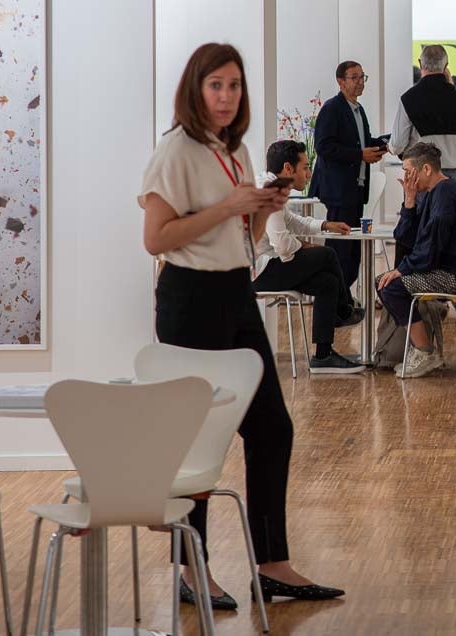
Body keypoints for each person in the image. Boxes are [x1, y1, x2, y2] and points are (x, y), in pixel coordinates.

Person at [140, 43, 343, 606]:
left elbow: (243, 242)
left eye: (233, 86)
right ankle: (190, 569)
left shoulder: (234, 150)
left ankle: (272, 563)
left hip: (235, 290)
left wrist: (260, 211)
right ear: (195, 89)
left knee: (272, 427)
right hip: (189, 297)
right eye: (215, 86)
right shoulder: (175, 151)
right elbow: (156, 239)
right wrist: (230, 208)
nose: (226, 96)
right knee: (198, 437)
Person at [253, 140, 365, 374]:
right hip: (261, 272)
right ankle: (343, 311)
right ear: (287, 168)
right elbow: (283, 246)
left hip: (272, 265)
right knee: (327, 254)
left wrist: (324, 224)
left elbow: (294, 222)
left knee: (328, 283)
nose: (309, 173)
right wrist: (303, 244)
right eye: (305, 166)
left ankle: (323, 356)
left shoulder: (273, 186)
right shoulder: (269, 191)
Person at [377, 142, 456, 378]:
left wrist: (404, 270)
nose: (406, 177)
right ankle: (422, 348)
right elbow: (405, 238)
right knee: (384, 282)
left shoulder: (445, 194)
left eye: (408, 171)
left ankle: (426, 352)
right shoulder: (434, 193)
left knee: (390, 287)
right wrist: (409, 201)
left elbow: (431, 247)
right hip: (445, 270)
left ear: (426, 170)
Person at [309, 61, 387, 295]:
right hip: (338, 192)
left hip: (355, 190)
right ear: (340, 82)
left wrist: (386, 145)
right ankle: (336, 305)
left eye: (363, 77)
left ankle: (344, 301)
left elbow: (363, 143)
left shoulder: (358, 109)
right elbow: (323, 146)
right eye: (355, 77)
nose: (360, 82)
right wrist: (359, 154)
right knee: (341, 253)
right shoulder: (333, 108)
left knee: (354, 254)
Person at [391, 44, 456, 182]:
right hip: (452, 177)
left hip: (420, 175)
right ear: (445, 65)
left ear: (420, 63)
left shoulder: (409, 98)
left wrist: (390, 148)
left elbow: (398, 143)